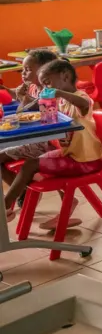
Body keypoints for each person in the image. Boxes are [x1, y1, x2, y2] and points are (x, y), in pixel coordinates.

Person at [3, 60, 102, 227]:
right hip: (67, 153)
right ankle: (62, 202)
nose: (44, 88)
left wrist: (59, 94)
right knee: (30, 168)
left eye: (47, 83)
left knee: (30, 166)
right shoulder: (59, 100)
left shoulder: (80, 97)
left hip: (85, 160)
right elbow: (49, 122)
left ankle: (4, 208)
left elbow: (84, 104)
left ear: (64, 77)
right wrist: (45, 104)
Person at [0, 49, 59, 213]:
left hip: (45, 141)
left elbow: (42, 110)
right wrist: (9, 90)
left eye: (28, 69)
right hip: (33, 137)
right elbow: (21, 101)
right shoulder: (31, 86)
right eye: (23, 69)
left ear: (44, 70)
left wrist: (24, 99)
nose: (23, 73)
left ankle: (7, 205)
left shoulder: (50, 90)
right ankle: (22, 190)